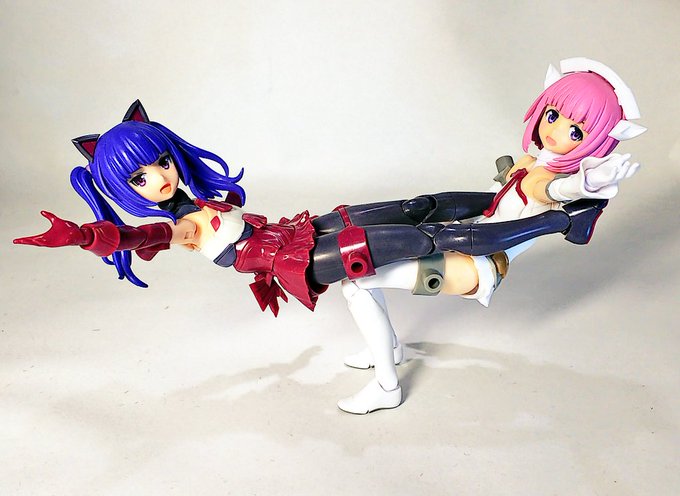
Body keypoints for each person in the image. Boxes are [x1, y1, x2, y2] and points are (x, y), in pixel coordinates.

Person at [14, 58, 644, 414]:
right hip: (288, 257)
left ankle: (388, 371)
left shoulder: (197, 196)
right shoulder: (177, 225)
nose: (158, 178)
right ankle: (389, 374)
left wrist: (569, 189)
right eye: (139, 177)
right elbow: (137, 240)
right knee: (389, 254)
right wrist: (85, 237)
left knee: (406, 214)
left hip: (292, 234)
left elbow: (544, 185)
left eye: (159, 162)